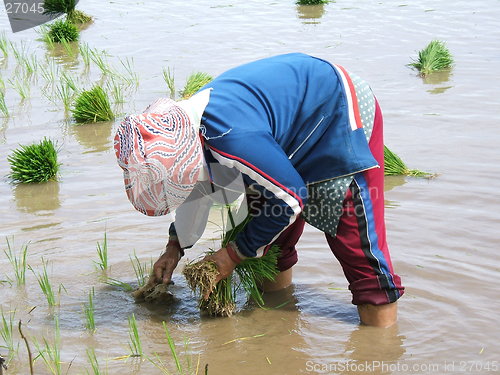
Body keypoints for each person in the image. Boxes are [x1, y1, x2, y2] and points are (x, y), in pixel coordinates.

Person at [114, 53, 404, 327]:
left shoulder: (231, 137)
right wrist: (174, 249)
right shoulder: (186, 132)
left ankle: (381, 345)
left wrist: (230, 256)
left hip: (336, 109)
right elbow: (198, 191)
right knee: (268, 237)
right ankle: (279, 320)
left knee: (352, 238)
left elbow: (291, 199)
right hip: (281, 133)